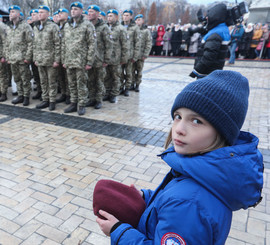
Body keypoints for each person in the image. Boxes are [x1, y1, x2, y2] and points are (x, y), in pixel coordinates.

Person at [96, 70, 264, 244]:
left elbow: (182, 204)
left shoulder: (188, 204)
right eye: (178, 116)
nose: (179, 129)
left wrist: (119, 232)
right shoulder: (199, 173)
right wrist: (146, 196)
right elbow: (173, 199)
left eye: (196, 121)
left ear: (222, 133)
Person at [62, 1, 96, 115]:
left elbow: (92, 44)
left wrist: (89, 61)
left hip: (81, 61)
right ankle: (73, 103)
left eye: (76, 9)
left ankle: (81, 104)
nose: (73, 11)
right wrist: (64, 59)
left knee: (81, 83)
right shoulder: (67, 25)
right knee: (71, 83)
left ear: (81, 11)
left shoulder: (87, 25)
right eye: (72, 9)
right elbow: (63, 44)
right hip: (70, 60)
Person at [190, 3, 230, 79]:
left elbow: (209, 56)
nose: (207, 18)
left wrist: (196, 71)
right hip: (214, 70)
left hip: (206, 72)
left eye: (208, 16)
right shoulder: (222, 28)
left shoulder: (216, 33)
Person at [32, 5, 61, 110]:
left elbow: (58, 44)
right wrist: (35, 58)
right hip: (40, 59)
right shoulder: (36, 27)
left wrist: (57, 60)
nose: (40, 14)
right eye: (39, 12)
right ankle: (45, 99)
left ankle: (52, 101)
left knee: (52, 81)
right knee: (43, 81)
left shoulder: (53, 27)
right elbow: (34, 44)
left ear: (48, 14)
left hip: (51, 60)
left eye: (42, 12)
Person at [5, 5, 33, 106]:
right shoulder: (8, 27)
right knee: (17, 78)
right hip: (12, 58)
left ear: (17, 13)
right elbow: (6, 43)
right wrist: (7, 56)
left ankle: (26, 96)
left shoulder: (25, 26)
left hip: (22, 58)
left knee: (25, 78)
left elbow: (30, 43)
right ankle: (20, 95)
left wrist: (28, 57)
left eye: (12, 12)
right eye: (10, 12)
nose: (10, 14)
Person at [86, 5, 112, 110]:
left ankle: (99, 100)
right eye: (88, 11)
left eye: (91, 12)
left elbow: (109, 44)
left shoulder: (104, 27)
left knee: (99, 81)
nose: (89, 13)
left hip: (99, 59)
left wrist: (106, 59)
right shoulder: (87, 25)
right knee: (90, 80)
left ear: (97, 14)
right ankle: (92, 99)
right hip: (89, 59)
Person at [103, 9, 127, 103]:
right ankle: (107, 93)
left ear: (116, 17)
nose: (109, 18)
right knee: (106, 77)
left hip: (116, 58)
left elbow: (125, 45)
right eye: (108, 16)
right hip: (106, 58)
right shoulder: (105, 27)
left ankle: (113, 94)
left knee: (116, 77)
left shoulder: (121, 29)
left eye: (111, 16)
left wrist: (124, 58)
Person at [130, 14, 151, 92]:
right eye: (136, 20)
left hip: (141, 55)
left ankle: (137, 85)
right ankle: (131, 84)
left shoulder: (146, 31)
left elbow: (148, 43)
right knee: (131, 71)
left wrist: (145, 54)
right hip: (133, 54)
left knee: (139, 71)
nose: (137, 21)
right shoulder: (133, 30)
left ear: (142, 21)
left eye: (139, 20)